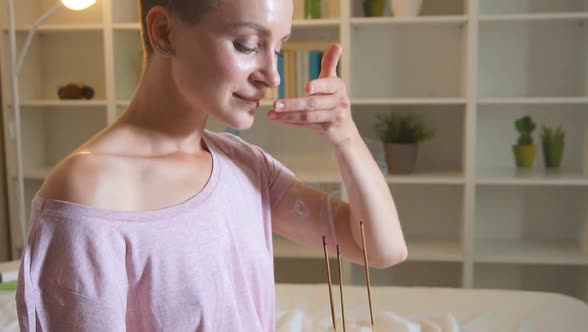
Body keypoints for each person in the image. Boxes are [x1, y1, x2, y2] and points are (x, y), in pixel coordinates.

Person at [15, 0, 407, 330]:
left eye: (280, 48)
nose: (273, 76)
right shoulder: (88, 189)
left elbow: (381, 249)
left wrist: (345, 136)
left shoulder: (247, 167)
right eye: (247, 44)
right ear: (165, 32)